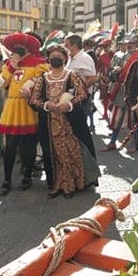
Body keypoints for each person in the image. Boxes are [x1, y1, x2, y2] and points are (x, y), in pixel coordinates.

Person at [28, 44, 93, 198]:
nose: (56, 58)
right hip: (50, 124)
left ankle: (74, 183)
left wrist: (69, 104)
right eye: (52, 56)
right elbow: (33, 99)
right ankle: (57, 184)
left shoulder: (73, 75)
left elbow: (83, 94)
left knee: (73, 151)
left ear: (65, 58)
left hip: (71, 123)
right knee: (53, 154)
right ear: (48, 59)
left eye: (59, 56)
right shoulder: (42, 79)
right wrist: (46, 105)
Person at [0, 32, 48, 196]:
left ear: (28, 48)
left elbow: (42, 80)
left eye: (22, 47)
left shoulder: (39, 63)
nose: (18, 49)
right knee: (10, 146)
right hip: (12, 106)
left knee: (29, 146)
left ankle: (27, 176)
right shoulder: (8, 65)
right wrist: (11, 66)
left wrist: (31, 84)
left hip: (28, 106)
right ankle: (6, 179)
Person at [64, 34, 98, 155]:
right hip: (72, 98)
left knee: (81, 129)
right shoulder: (72, 58)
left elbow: (93, 78)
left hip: (81, 98)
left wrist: (79, 91)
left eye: (66, 45)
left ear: (73, 46)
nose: (65, 47)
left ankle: (87, 156)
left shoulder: (84, 58)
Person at [104, 38, 138, 152]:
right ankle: (113, 141)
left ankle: (133, 143)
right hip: (121, 90)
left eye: (132, 43)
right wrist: (115, 71)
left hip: (134, 90)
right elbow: (111, 71)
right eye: (128, 43)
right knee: (117, 117)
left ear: (136, 44)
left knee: (133, 118)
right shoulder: (120, 56)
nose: (129, 45)